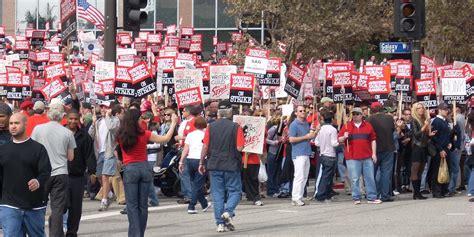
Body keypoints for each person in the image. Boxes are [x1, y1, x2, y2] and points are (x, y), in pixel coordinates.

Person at [117, 109, 178, 237]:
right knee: (142, 205)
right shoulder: (144, 134)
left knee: (132, 205)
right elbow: (165, 139)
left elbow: (116, 150)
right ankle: (140, 234)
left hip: (130, 168)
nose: (142, 120)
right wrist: (173, 124)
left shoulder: (121, 135)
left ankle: (135, 234)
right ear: (136, 120)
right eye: (140, 118)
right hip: (144, 167)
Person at [0, 113, 51, 237]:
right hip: (9, 205)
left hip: (34, 206)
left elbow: (46, 171)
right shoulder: (3, 150)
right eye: (11, 123)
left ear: (25, 124)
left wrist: (38, 181)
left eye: (16, 123)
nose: (13, 126)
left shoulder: (38, 148)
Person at [198, 100, 245, 232]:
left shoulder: (210, 127)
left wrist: (201, 162)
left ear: (218, 112)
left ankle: (219, 223)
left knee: (217, 194)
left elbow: (205, 146)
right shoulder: (236, 127)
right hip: (231, 164)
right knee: (235, 191)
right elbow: (240, 147)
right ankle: (228, 212)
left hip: (214, 164)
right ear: (230, 112)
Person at [31, 102, 76, 237]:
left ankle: (37, 233)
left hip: (42, 173)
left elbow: (32, 151)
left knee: (39, 207)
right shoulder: (68, 132)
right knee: (57, 209)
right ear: (63, 115)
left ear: (48, 113)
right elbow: (71, 157)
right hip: (60, 173)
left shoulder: (38, 129)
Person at [338, 107, 382, 204]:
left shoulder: (368, 126)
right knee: (354, 178)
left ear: (362, 115)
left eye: (357, 114)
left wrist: (374, 153)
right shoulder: (346, 126)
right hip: (352, 157)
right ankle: (356, 197)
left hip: (367, 156)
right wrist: (344, 137)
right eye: (353, 114)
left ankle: (371, 197)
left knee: (369, 177)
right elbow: (339, 140)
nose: (355, 116)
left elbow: (373, 140)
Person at [65, 110, 97, 237]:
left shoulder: (84, 136)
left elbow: (89, 155)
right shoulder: (60, 133)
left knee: (75, 208)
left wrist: (92, 172)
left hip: (77, 177)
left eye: (75, 119)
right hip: (61, 176)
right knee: (61, 206)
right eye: (70, 118)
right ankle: (56, 231)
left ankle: (72, 233)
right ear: (66, 118)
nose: (73, 121)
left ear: (79, 120)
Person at [88, 103, 121, 211]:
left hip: (109, 151)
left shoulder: (115, 120)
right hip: (99, 152)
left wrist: (107, 116)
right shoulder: (98, 121)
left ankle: (104, 201)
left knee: (105, 176)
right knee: (98, 176)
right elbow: (90, 135)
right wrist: (93, 124)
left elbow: (112, 128)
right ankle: (110, 194)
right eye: (101, 107)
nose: (103, 109)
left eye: (105, 107)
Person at [178, 116, 211, 213]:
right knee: (198, 184)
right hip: (201, 159)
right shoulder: (205, 134)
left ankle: (204, 204)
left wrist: (181, 161)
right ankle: (191, 205)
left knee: (195, 183)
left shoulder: (190, 135)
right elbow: (206, 148)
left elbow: (186, 149)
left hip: (190, 159)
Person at [288, 105, 318, 206]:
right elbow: (291, 139)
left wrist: (316, 131)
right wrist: (306, 137)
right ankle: (295, 197)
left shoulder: (306, 123)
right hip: (298, 153)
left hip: (306, 152)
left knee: (304, 176)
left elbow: (310, 137)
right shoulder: (294, 125)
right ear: (296, 113)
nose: (303, 112)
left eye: (304, 110)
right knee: (299, 176)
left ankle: (299, 196)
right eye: (300, 111)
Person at [367, 102, 396, 202]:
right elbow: (393, 130)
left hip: (374, 149)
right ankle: (385, 195)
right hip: (388, 147)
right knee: (386, 173)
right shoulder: (389, 118)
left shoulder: (369, 119)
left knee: (372, 173)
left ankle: (374, 194)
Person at [409, 102, 433, 200]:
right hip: (416, 147)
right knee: (415, 169)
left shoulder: (423, 120)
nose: (421, 109)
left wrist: (429, 133)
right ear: (415, 109)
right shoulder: (414, 120)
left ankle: (418, 192)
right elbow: (416, 134)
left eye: (422, 108)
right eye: (419, 108)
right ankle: (416, 192)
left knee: (421, 170)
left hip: (424, 146)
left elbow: (424, 135)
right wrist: (424, 126)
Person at [314, 111, 339, 202]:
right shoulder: (333, 130)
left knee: (324, 175)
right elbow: (334, 143)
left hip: (322, 154)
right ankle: (321, 194)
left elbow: (317, 142)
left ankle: (325, 193)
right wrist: (341, 140)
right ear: (332, 120)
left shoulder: (321, 129)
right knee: (327, 177)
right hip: (330, 155)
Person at [430, 103, 452, 198]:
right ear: (440, 110)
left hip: (446, 148)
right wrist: (440, 149)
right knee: (437, 170)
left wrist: (450, 143)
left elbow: (446, 135)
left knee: (446, 169)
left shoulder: (445, 121)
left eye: (447, 109)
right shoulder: (437, 121)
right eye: (445, 109)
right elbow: (435, 137)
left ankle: (444, 190)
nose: (447, 111)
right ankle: (436, 190)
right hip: (439, 149)